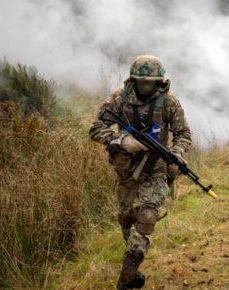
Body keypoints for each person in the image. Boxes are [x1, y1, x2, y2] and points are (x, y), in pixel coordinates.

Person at [89, 55, 192, 289]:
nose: (146, 86)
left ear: (159, 81)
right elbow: (95, 128)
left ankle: (126, 276)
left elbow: (184, 133)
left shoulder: (169, 103)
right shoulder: (118, 99)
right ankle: (134, 270)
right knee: (127, 221)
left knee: (147, 216)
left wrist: (176, 154)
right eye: (141, 81)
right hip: (126, 170)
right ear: (134, 79)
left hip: (156, 169)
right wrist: (121, 140)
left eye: (151, 82)